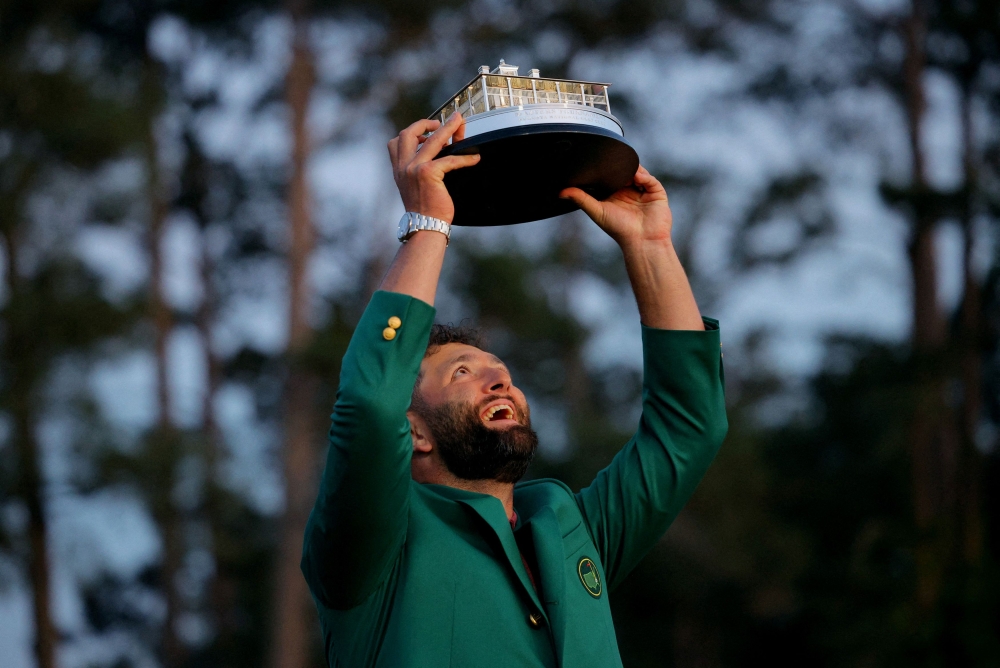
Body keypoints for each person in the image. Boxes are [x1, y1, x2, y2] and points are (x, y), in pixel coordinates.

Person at [301, 112, 728, 667]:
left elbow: (688, 430)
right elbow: (369, 401)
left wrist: (650, 247)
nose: (498, 378)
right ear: (413, 431)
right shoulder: (371, 545)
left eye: (498, 369)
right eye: (461, 373)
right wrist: (429, 222)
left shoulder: (571, 529)